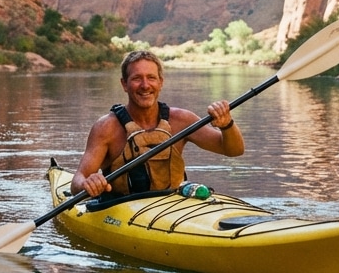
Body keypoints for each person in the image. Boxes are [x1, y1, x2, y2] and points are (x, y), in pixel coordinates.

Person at [72, 49, 244, 198]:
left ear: (161, 82)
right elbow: (77, 181)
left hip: (172, 204)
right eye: (137, 78)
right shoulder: (106, 127)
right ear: (124, 84)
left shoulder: (182, 120)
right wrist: (88, 183)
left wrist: (227, 124)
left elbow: (234, 150)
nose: (145, 85)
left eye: (151, 78)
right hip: (119, 206)